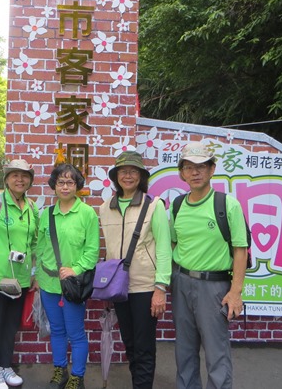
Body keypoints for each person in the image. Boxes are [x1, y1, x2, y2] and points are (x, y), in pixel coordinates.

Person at [170, 142, 248, 389]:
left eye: (201, 166)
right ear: (182, 173)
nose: (195, 172)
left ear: (212, 169)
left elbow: (240, 250)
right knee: (184, 350)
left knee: (217, 353)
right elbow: (174, 244)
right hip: (181, 283)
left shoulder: (227, 205)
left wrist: (235, 292)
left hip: (214, 287)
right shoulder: (178, 205)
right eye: (189, 167)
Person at [98, 151, 172, 389]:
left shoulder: (154, 206)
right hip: (118, 289)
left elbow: (164, 248)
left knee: (144, 347)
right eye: (123, 171)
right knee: (130, 344)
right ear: (116, 176)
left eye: (133, 171)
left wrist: (160, 288)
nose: (128, 176)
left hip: (145, 288)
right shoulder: (104, 208)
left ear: (141, 176)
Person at [0, 159, 39, 389]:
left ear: (30, 180)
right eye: (15, 175)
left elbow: (33, 243)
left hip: (19, 278)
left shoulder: (31, 207)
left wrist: (32, 273)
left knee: (11, 325)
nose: (19, 180)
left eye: (24, 176)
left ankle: (4, 365)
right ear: (7, 179)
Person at [34, 163, 100, 389]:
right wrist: (37, 274)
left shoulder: (87, 213)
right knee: (57, 330)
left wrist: (76, 269)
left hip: (73, 285)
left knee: (76, 333)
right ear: (54, 185)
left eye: (70, 182)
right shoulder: (47, 214)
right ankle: (60, 371)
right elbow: (41, 246)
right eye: (60, 182)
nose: (65, 186)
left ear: (77, 186)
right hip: (48, 283)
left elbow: (93, 249)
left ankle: (77, 376)